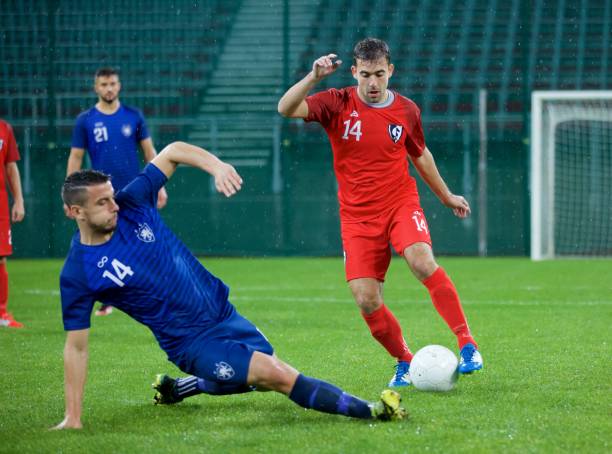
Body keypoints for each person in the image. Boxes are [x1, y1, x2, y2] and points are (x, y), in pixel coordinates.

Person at [53, 141, 406, 430]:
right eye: (102, 202)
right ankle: (372, 410)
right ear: (75, 212)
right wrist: (73, 417)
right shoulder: (79, 272)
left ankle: (177, 388)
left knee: (253, 374)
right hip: (190, 342)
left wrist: (217, 166)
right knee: (277, 374)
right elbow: (77, 348)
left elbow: (173, 151)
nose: (114, 205)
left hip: (222, 312)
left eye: (112, 195)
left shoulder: (131, 204)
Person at [277, 38, 483, 386]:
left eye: (379, 74)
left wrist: (446, 195)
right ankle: (404, 360)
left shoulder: (406, 110)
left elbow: (420, 155)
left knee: (421, 260)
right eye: (365, 75)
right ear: (354, 72)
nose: (373, 84)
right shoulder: (335, 102)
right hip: (356, 218)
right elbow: (285, 108)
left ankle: (467, 344)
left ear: (391, 72)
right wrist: (313, 77)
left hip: (399, 203)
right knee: (366, 299)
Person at [67, 66, 168, 316]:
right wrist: (70, 194)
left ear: (119, 85)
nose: (109, 88)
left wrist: (160, 185)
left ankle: (151, 291)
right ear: (96, 87)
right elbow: (75, 157)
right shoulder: (86, 120)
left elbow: (149, 152)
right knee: (100, 243)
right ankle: (104, 295)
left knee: (145, 238)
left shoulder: (133, 116)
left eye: (112, 83)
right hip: (100, 196)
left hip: (133, 192)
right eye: (104, 84)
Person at [0, 119, 25, 328]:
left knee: (0, 257)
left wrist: (18, 200)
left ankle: (1, 313)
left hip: (0, 203)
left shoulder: (5, 128)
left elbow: (10, 166)